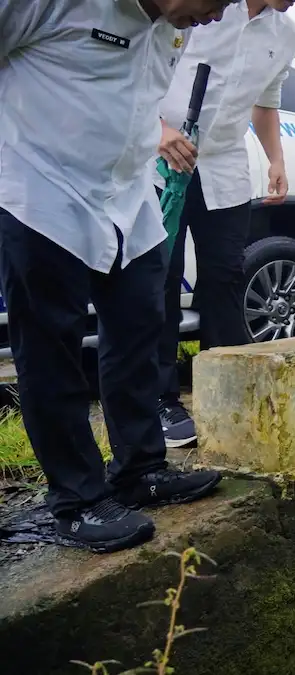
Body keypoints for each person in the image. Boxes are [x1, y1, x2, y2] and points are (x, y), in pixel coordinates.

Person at [0, 0, 235, 554]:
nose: (214, 17)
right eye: (216, 2)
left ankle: (140, 469)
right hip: (41, 191)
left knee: (141, 328)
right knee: (51, 346)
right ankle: (78, 499)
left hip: (128, 195)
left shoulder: (167, 25)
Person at [153, 0, 295, 448]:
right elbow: (144, 71)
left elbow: (265, 103)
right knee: (162, 279)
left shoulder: (284, 33)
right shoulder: (206, 8)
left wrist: (276, 159)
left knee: (226, 276)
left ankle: (226, 390)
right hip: (163, 157)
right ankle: (162, 400)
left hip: (225, 165)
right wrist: (158, 129)